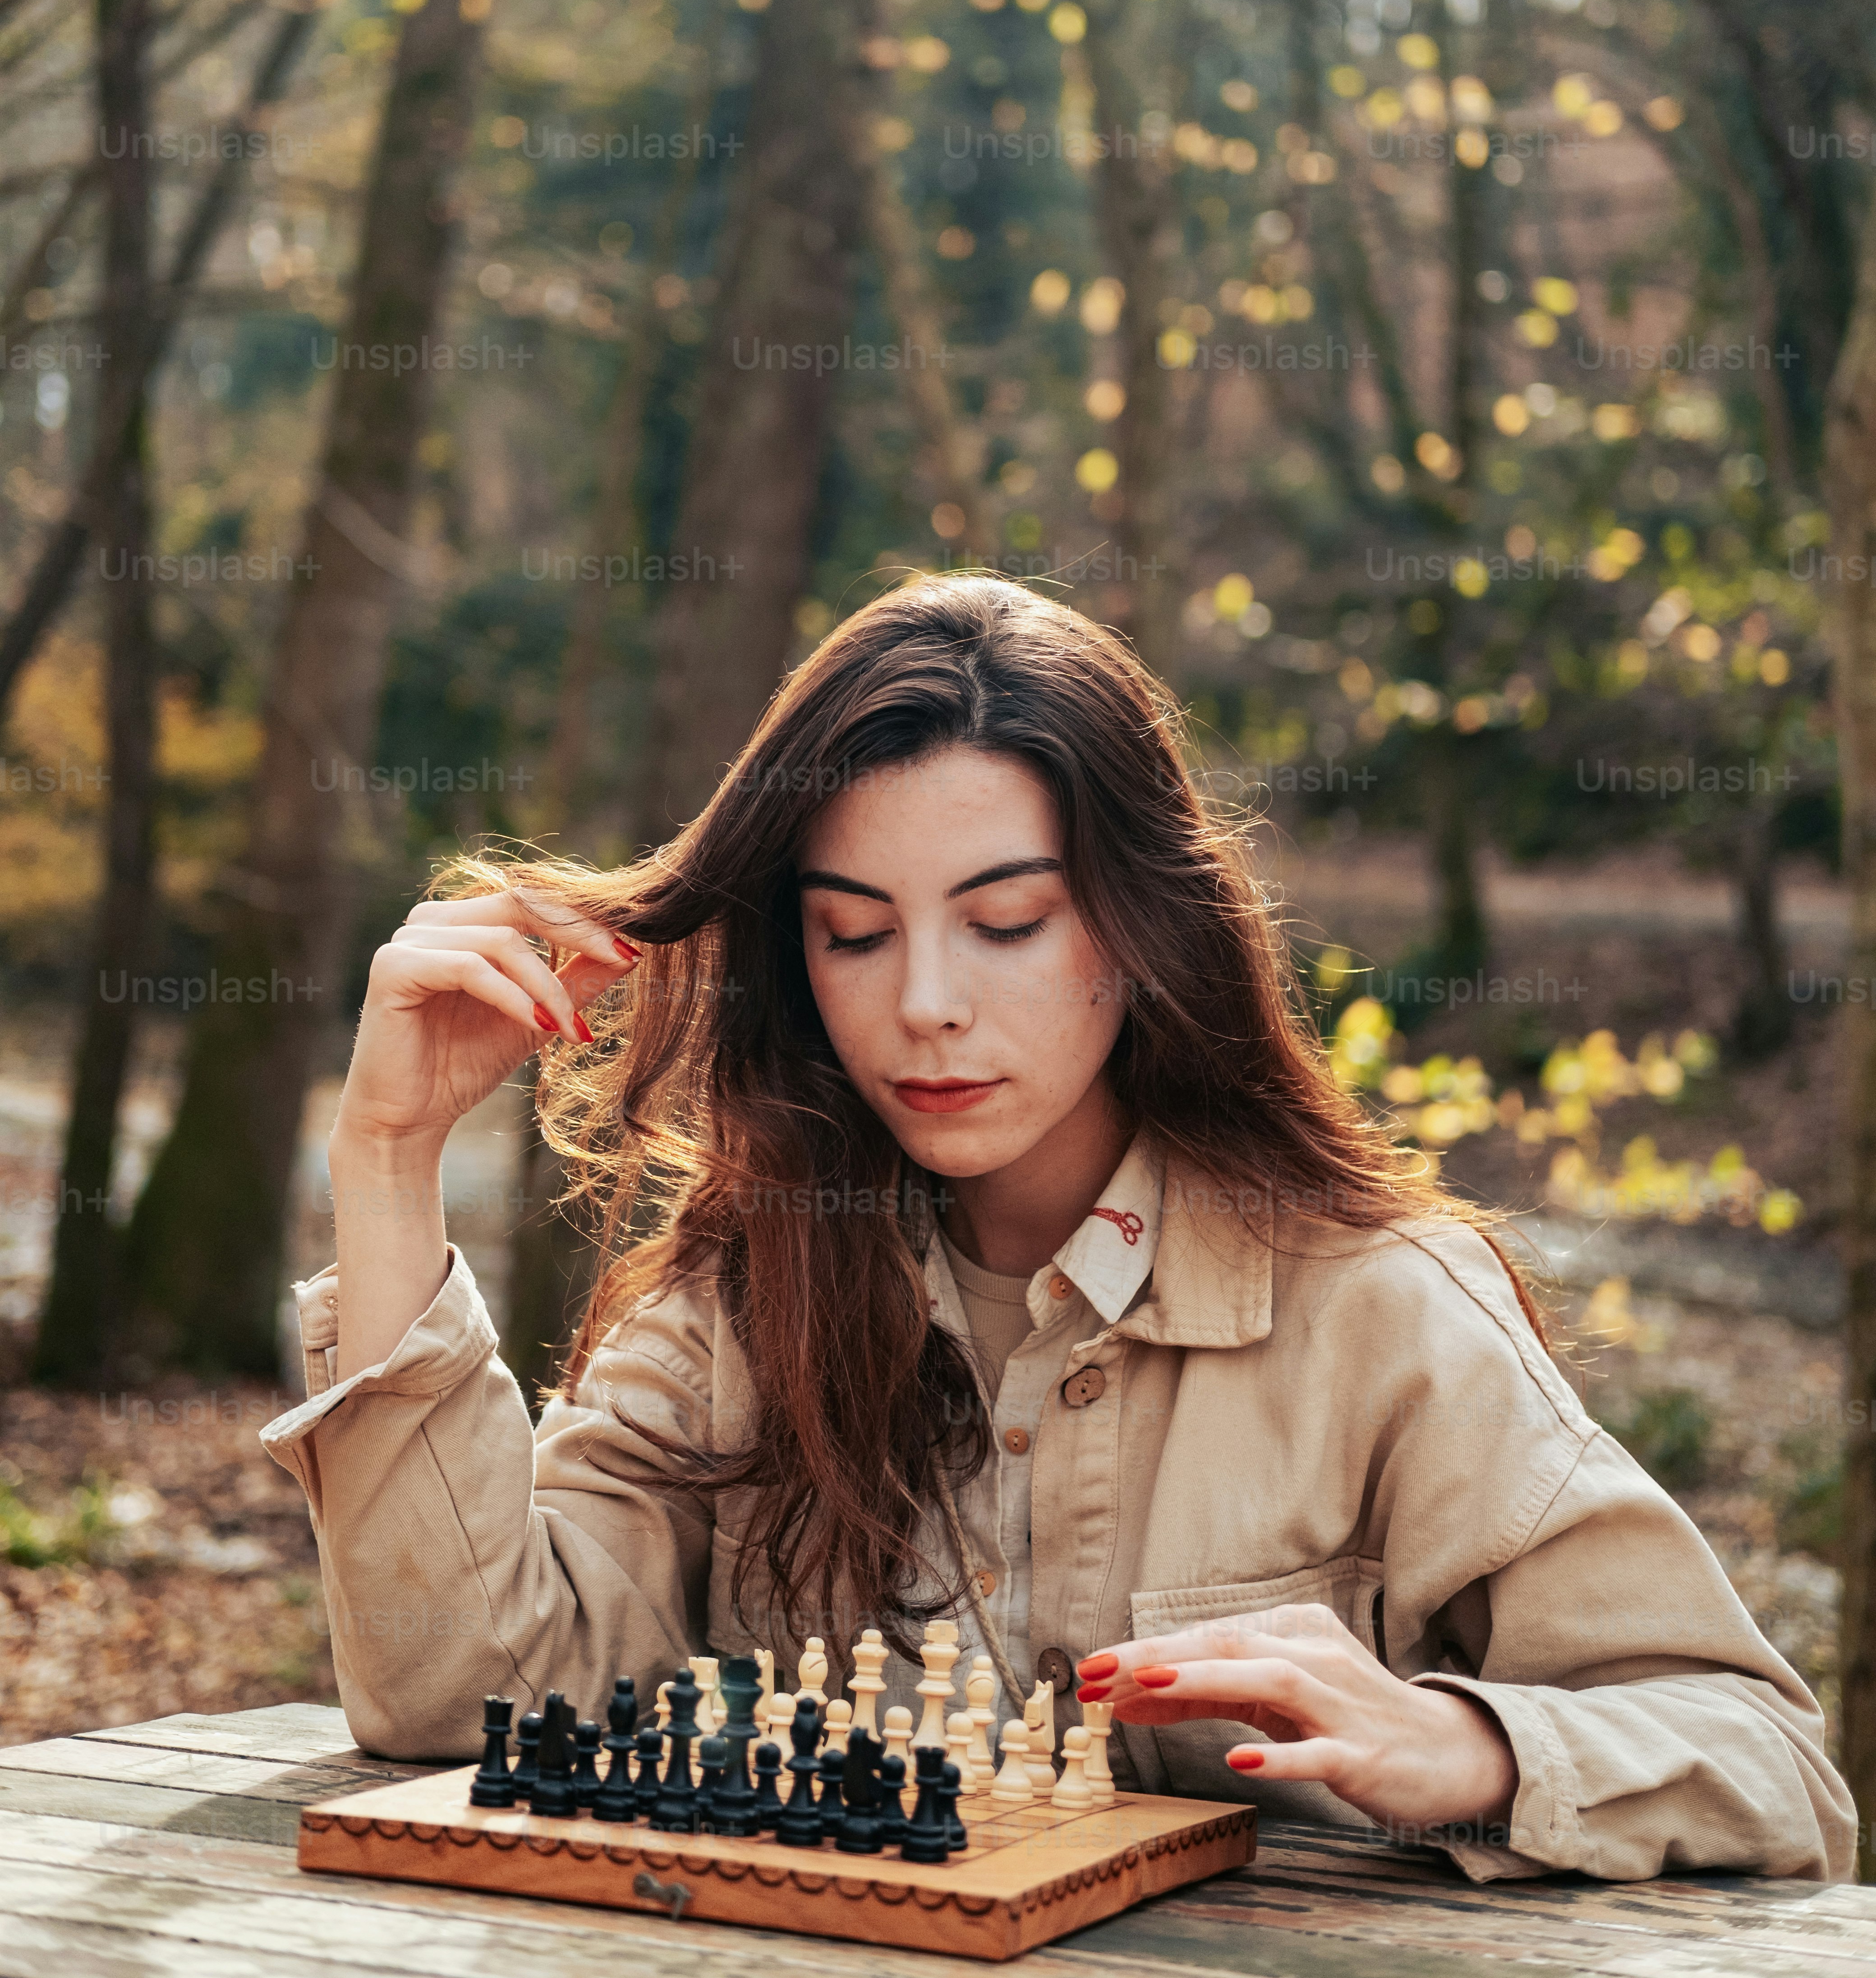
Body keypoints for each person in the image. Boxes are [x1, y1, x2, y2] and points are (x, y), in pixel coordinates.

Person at [265, 575, 1853, 1880]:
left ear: (1141, 921)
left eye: (1007, 922)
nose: (929, 1006)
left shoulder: (1380, 1312)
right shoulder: (754, 1295)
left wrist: (1472, 1749)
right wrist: (391, 1154)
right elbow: (455, 1698)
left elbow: (1775, 1766)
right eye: (854, 935)